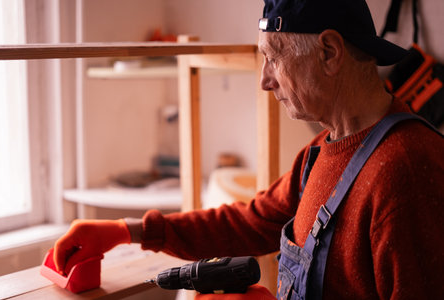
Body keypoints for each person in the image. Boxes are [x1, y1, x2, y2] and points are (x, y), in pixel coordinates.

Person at [53, 0, 444, 299]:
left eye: (273, 57)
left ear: (329, 53)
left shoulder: (406, 169)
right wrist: (128, 231)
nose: (264, 80)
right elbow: (249, 222)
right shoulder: (322, 152)